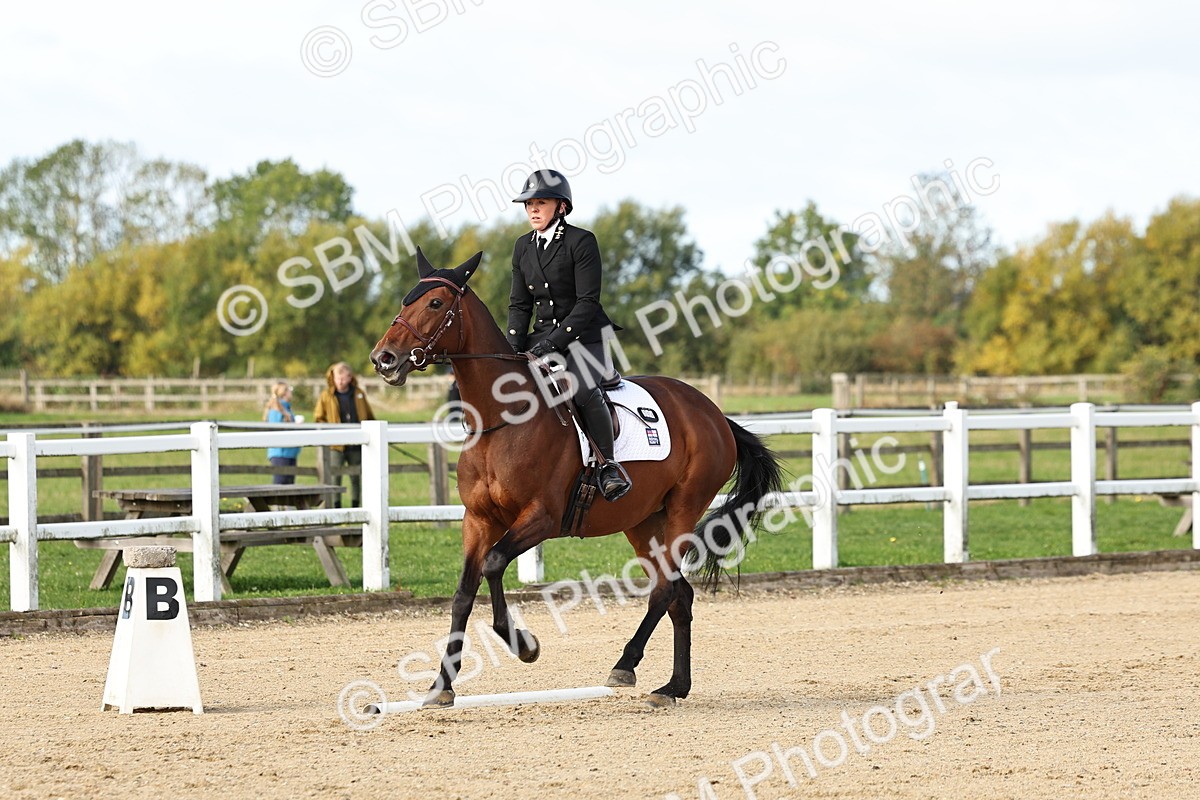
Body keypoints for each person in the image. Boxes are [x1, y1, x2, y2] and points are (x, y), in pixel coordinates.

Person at [506, 169, 631, 501]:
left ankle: (609, 466)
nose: (533, 209)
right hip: (542, 337)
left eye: (541, 203)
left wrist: (552, 344)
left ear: (560, 206)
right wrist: (512, 347)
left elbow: (587, 302)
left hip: (585, 339)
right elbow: (519, 304)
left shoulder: (581, 241)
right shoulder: (522, 247)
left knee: (583, 389)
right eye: (528, 204)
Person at [314, 362, 376, 507]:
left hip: (356, 442)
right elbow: (318, 417)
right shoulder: (326, 396)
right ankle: (336, 506)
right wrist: (329, 431)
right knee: (335, 475)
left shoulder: (358, 394)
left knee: (356, 476)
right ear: (333, 378)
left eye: (343, 378)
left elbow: (368, 415)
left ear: (349, 378)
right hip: (336, 444)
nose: (340, 382)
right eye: (338, 378)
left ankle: (356, 505)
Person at [263, 381, 301, 484]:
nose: (291, 392)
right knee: (280, 485)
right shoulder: (276, 411)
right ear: (284, 393)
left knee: (289, 486)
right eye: (289, 390)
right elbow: (275, 431)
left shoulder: (286, 409)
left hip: (290, 452)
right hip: (281, 453)